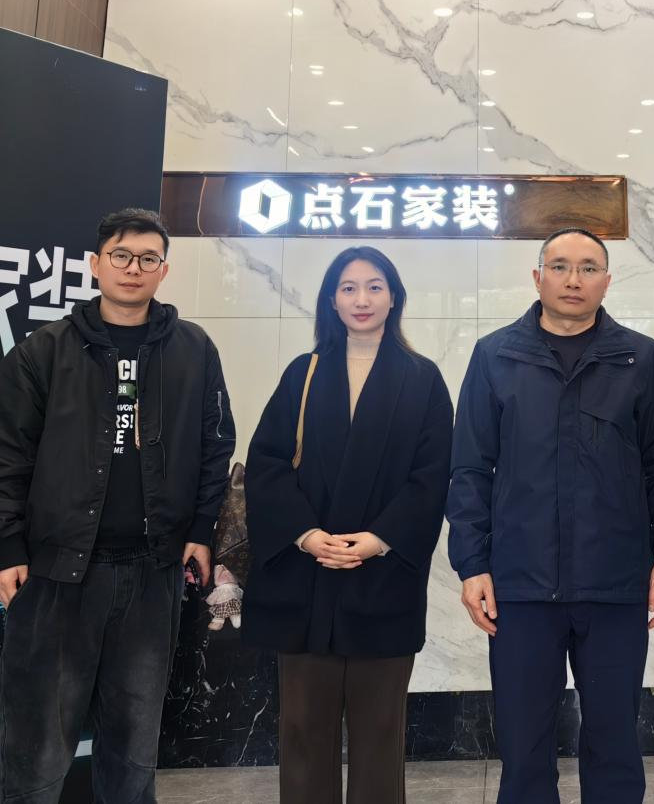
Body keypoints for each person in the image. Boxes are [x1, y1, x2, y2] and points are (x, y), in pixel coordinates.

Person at [447, 227, 654, 804]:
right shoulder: (496, 355)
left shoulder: (638, 358)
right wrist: (472, 565)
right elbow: (470, 470)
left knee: (614, 740)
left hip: (615, 583)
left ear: (607, 281)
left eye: (588, 268)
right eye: (559, 266)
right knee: (524, 745)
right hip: (520, 586)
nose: (573, 279)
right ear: (538, 277)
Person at [0, 208, 235, 803]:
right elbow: (7, 456)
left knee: (133, 746)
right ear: (96, 264)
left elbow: (216, 446)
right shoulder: (42, 351)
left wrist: (200, 530)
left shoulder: (193, 350)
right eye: (121, 256)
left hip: (152, 572)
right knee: (38, 745)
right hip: (56, 572)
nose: (134, 268)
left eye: (148, 258)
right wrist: (8, 547)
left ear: (164, 270)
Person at [243, 246, 452, 804]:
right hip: (306, 576)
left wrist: (379, 540)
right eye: (349, 287)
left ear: (394, 297)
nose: (362, 299)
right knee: (302, 730)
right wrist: (307, 535)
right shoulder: (303, 373)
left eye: (375, 286)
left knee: (380, 731)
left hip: (383, 577)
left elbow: (433, 475)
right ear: (331, 301)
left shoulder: (422, 379)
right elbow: (266, 463)